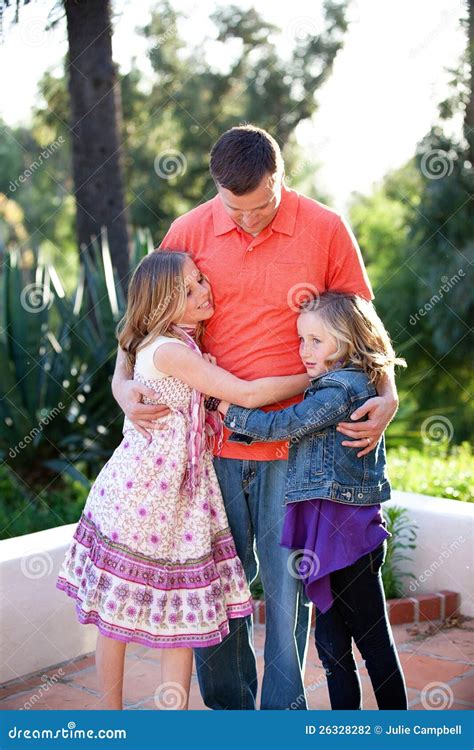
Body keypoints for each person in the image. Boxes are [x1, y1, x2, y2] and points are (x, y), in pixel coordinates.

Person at [112, 125, 399, 710]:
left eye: (261, 206)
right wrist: (122, 384)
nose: (246, 221)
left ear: (280, 178)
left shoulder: (325, 228)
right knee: (213, 589)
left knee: (288, 589)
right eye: (233, 208)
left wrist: (387, 393)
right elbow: (146, 314)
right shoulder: (189, 229)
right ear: (217, 188)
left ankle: (282, 721)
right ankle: (230, 716)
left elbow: (364, 326)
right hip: (206, 449)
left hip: (300, 448)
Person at [56, 251, 308, 710]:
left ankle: (170, 723)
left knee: (178, 614)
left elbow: (127, 344)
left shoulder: (173, 339)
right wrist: (317, 373)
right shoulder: (171, 351)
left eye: (200, 280)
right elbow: (246, 394)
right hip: (148, 494)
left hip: (178, 492)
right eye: (188, 291)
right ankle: (111, 719)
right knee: (118, 611)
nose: (203, 291)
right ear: (162, 306)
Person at [218, 292, 408, 710]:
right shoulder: (330, 384)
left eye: (316, 341)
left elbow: (281, 425)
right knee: (332, 645)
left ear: (345, 341)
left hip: (347, 534)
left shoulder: (342, 388)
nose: (304, 351)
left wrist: (226, 405)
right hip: (321, 529)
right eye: (301, 340)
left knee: (372, 640)